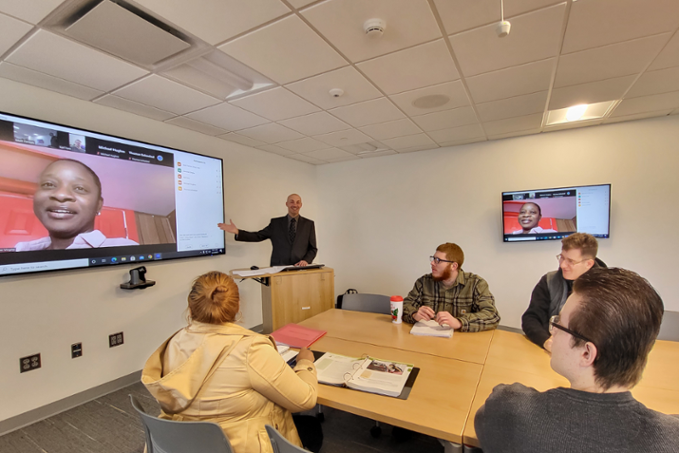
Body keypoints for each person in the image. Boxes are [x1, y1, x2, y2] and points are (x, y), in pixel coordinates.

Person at [475, 267, 679, 452]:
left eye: (559, 324)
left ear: (587, 353)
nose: (552, 330)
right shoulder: (671, 437)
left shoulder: (508, 410)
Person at [141, 271, 322, 453]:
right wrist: (304, 363)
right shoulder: (251, 349)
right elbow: (305, 400)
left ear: (190, 307)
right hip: (238, 445)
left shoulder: (172, 344)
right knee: (312, 428)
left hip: (182, 444)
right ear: (238, 306)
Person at [14, 159, 138, 250]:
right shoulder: (21, 250)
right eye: (49, 184)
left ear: (98, 205)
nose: (60, 195)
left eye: (79, 188)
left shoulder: (124, 250)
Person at [522, 233, 606, 351]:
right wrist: (545, 341)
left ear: (588, 264)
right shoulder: (549, 281)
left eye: (571, 261)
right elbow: (531, 318)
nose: (562, 265)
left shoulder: (608, 291)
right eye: (562, 257)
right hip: (551, 353)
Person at [402, 242, 500, 332]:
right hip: (428, 341)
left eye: (438, 260)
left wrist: (459, 322)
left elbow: (492, 315)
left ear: (453, 266)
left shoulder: (476, 284)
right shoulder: (423, 282)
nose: (432, 263)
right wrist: (414, 314)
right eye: (433, 258)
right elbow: (404, 305)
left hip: (462, 344)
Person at [218, 194, 317, 267]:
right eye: (292, 201)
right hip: (278, 268)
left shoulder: (309, 224)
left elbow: (313, 248)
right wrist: (237, 232)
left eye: (297, 202)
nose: (294, 204)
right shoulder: (276, 223)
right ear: (286, 204)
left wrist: (306, 260)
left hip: (300, 268)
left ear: (301, 205)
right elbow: (258, 236)